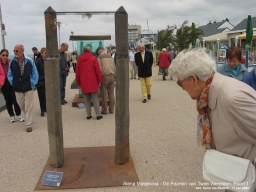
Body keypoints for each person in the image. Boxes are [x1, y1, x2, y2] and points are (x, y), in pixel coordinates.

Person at [169, 49, 256, 162]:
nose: (182, 88)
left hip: (244, 175)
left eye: (180, 82)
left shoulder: (232, 99)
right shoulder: (208, 95)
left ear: (194, 79)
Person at [8, 44, 38, 132]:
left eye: (16, 51)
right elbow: (10, 74)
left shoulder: (29, 61)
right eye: (14, 51)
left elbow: (34, 73)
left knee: (29, 106)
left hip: (28, 86)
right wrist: (13, 83)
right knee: (21, 104)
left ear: (22, 51)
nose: (15, 52)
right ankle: (29, 117)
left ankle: (28, 124)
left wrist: (32, 83)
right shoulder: (12, 62)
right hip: (17, 87)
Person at [76, 46, 103, 120]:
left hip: (83, 82)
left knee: (86, 100)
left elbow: (77, 72)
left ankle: (88, 115)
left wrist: (78, 82)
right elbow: (97, 71)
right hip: (92, 81)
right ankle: (98, 114)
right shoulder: (93, 58)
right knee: (95, 99)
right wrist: (99, 80)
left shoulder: (79, 59)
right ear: (90, 51)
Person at [0, 49, 23, 122]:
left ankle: (19, 114)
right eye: (3, 55)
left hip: (12, 83)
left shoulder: (10, 62)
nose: (5, 57)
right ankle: (11, 115)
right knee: (8, 100)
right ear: (0, 55)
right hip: (4, 83)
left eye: (6, 55)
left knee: (15, 99)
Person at [96, 46, 116, 114]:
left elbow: (99, 69)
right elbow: (114, 67)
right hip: (112, 76)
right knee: (111, 94)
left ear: (99, 51)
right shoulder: (110, 57)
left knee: (103, 94)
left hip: (104, 76)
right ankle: (111, 109)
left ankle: (104, 109)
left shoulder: (100, 57)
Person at [35, 47, 47, 116]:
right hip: (40, 81)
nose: (46, 54)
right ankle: (42, 109)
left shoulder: (48, 61)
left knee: (47, 96)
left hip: (47, 81)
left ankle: (47, 108)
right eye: (45, 53)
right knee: (41, 96)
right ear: (42, 53)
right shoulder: (38, 61)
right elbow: (35, 72)